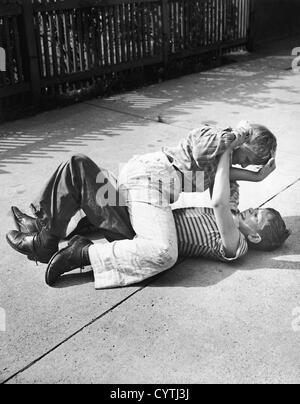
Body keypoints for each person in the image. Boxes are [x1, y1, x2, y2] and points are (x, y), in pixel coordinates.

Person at [7, 122, 279, 288]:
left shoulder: (235, 240)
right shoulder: (213, 147)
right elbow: (219, 189)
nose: (240, 164)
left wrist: (253, 175)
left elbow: (221, 186)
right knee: (164, 251)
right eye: (245, 158)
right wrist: (230, 146)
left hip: (143, 208)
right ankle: (69, 243)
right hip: (150, 186)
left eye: (256, 214)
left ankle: (45, 233)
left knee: (80, 168)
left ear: (254, 235)